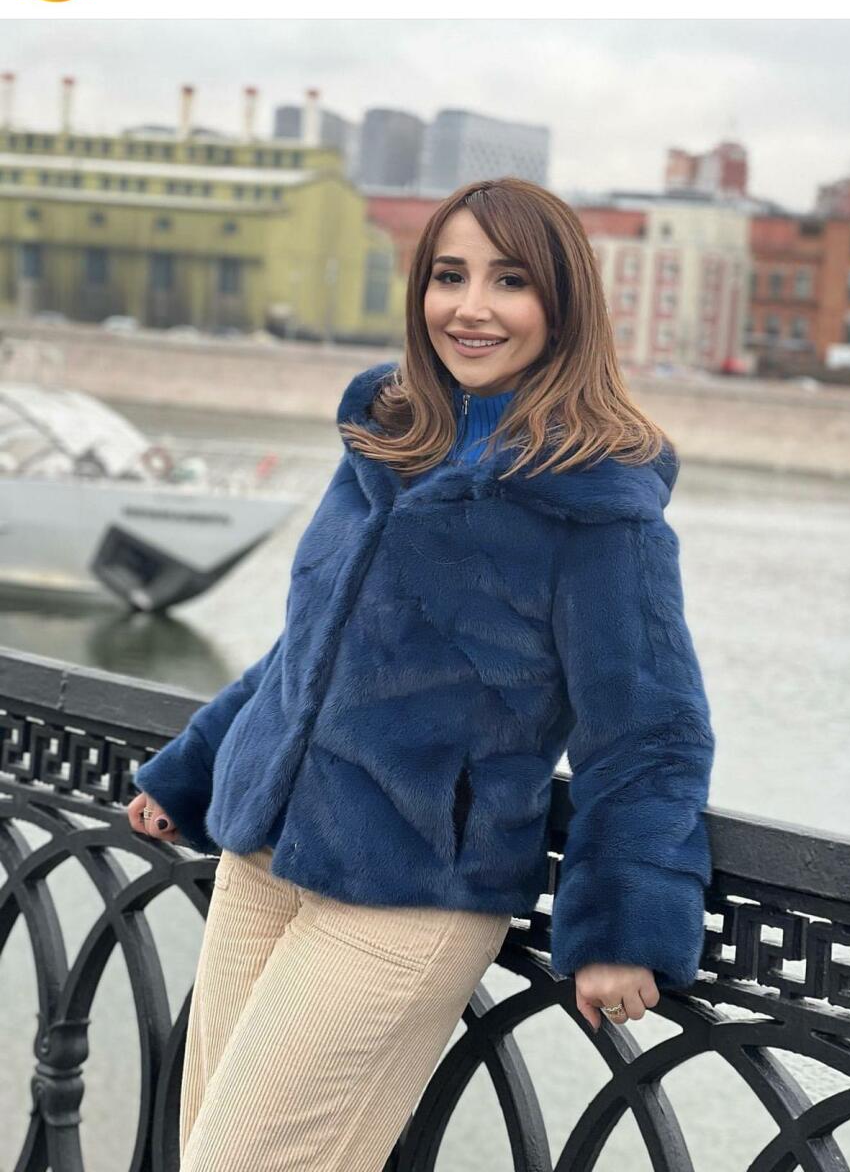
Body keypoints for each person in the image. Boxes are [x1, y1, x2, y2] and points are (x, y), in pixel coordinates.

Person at [128, 176, 716, 1171]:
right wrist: (192, 770)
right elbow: (314, 643)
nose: (471, 307)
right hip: (260, 855)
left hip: (411, 889)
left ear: (564, 302)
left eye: (510, 281)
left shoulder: (595, 499)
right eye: (450, 275)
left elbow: (649, 729)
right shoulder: (388, 433)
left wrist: (623, 923)